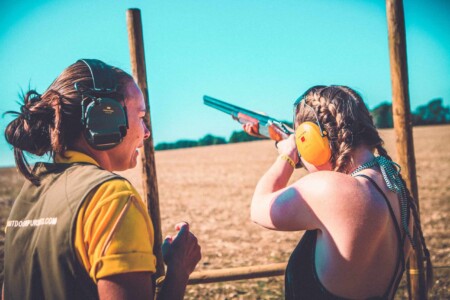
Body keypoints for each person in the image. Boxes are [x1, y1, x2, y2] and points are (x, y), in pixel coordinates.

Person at [3, 59, 201, 300]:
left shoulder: (29, 195)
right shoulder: (112, 199)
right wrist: (178, 271)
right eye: (140, 116)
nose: (147, 132)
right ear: (104, 117)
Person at [244, 85, 432, 299]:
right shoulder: (393, 185)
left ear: (312, 140)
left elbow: (259, 207)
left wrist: (287, 155)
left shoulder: (332, 188)